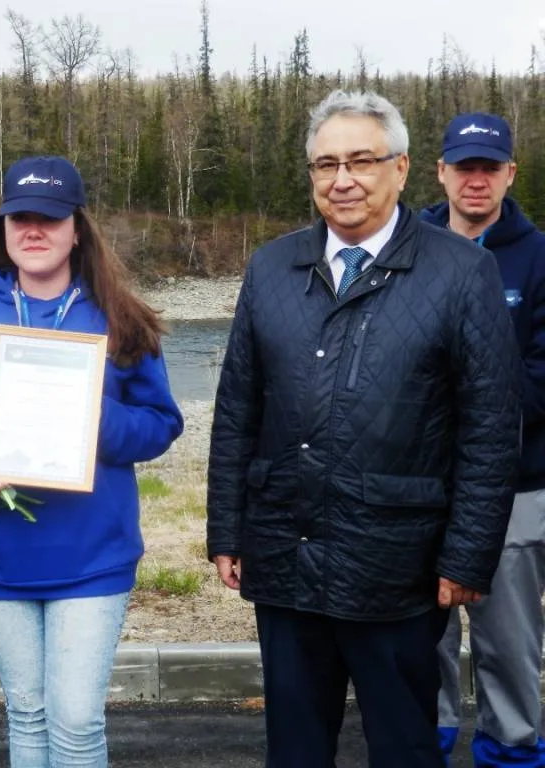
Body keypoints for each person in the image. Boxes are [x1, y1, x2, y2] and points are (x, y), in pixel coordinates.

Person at [206, 90, 522, 768]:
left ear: (402, 169)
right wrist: (227, 529)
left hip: (398, 567)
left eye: (360, 161)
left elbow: (491, 428)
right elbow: (237, 409)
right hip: (286, 558)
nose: (341, 179)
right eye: (325, 165)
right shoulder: (270, 268)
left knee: (405, 747)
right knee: (295, 748)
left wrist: (466, 557)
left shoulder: (464, 272)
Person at [0, 155, 184, 768]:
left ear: (76, 228)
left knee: (73, 721)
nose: (33, 229)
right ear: (3, 228)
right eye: (20, 218)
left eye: (49, 217)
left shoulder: (120, 320)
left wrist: (95, 420)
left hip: (93, 553)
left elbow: (162, 424)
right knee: (29, 714)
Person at [422, 112, 545, 767]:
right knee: (420, 638)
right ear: (440, 171)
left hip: (516, 486)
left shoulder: (540, 257)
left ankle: (514, 751)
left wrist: (463, 402)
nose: (476, 181)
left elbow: (540, 381)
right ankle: (426, 743)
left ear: (509, 174)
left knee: (509, 639)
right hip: (415, 484)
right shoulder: (404, 246)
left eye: (489, 168)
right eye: (463, 168)